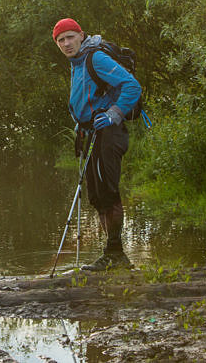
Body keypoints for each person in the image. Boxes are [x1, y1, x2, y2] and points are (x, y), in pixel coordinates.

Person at [52, 18, 141, 271]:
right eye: (61, 40)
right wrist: (81, 125)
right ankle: (113, 255)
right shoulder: (77, 63)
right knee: (97, 195)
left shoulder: (94, 59)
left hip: (108, 133)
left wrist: (114, 114)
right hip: (92, 133)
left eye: (70, 37)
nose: (67, 43)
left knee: (108, 192)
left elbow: (132, 86)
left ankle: (116, 255)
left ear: (81, 35)